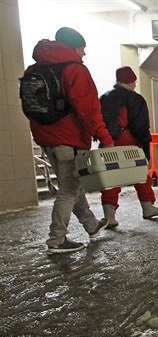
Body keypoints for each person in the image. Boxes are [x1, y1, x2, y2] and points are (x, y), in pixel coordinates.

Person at [26, 27, 113, 253]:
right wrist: (104, 136)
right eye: (83, 49)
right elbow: (88, 109)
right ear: (74, 47)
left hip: (47, 140)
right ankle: (57, 239)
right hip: (69, 139)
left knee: (74, 187)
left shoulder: (35, 69)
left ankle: (92, 226)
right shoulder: (74, 70)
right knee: (69, 189)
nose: (84, 54)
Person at [99, 66, 158, 228]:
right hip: (129, 142)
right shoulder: (135, 99)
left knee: (111, 177)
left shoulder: (103, 98)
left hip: (108, 142)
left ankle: (109, 215)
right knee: (140, 174)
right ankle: (147, 207)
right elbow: (141, 127)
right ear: (132, 81)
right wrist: (146, 151)